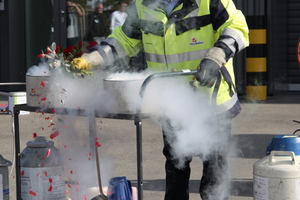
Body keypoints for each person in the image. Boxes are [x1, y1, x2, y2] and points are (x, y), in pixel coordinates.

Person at [72, 0, 249, 199]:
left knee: (214, 169)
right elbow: (124, 40)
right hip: (171, 101)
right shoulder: (143, 5)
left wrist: (216, 56)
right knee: (175, 165)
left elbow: (236, 26)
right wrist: (91, 59)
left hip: (210, 100)